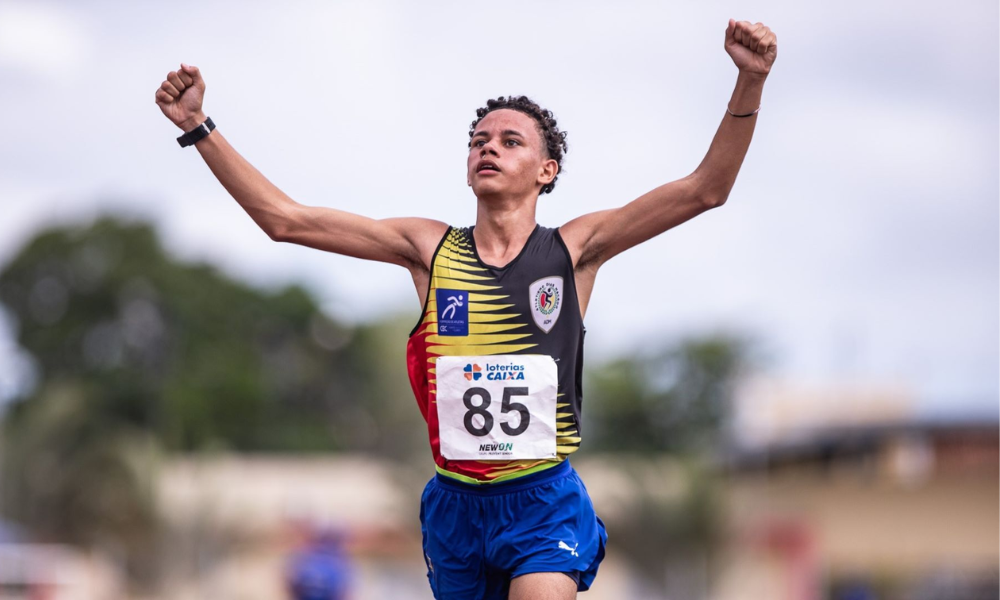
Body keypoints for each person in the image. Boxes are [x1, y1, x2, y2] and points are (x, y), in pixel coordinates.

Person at [155, 18, 777, 600]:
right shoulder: (428, 250)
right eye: (479, 140)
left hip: (542, 499)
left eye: (511, 141)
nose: (489, 148)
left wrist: (749, 78)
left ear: (546, 170)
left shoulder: (574, 251)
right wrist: (199, 126)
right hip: (456, 506)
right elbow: (284, 221)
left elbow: (706, 189)